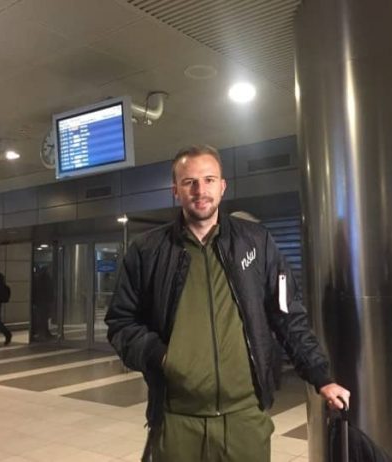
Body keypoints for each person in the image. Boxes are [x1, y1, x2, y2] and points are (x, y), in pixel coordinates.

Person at [105, 145, 350, 462]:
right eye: (189, 182)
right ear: (175, 190)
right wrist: (163, 357)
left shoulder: (256, 242)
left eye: (209, 180)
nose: (200, 190)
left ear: (222, 186)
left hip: (244, 419)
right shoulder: (147, 250)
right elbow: (121, 323)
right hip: (176, 420)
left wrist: (321, 376)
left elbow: (287, 315)